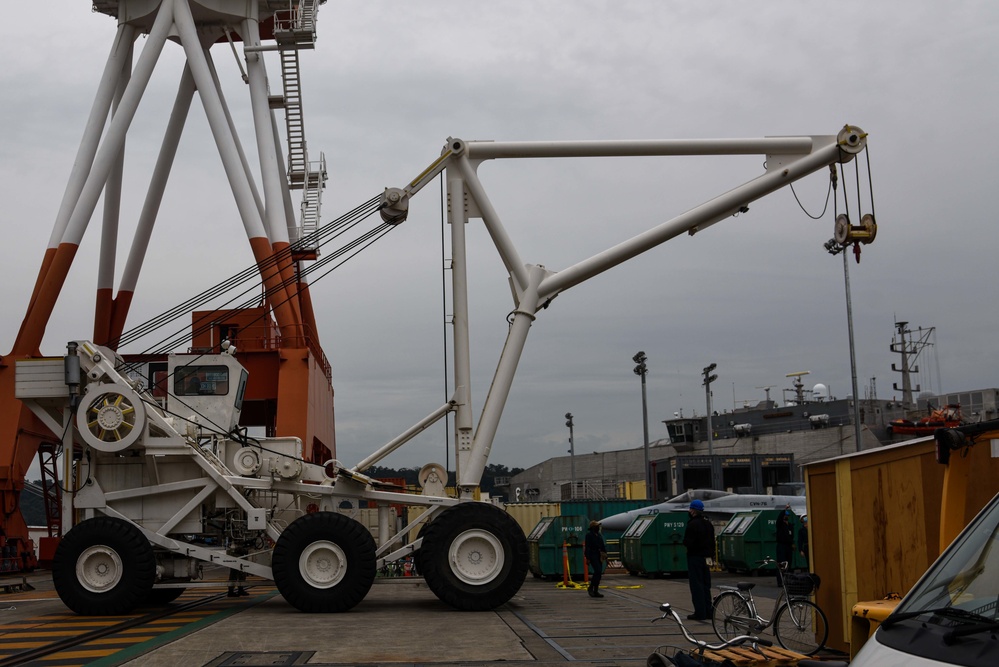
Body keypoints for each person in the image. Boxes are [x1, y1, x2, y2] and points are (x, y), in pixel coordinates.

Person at [682, 499, 715, 620]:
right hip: (707, 558)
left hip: (695, 558)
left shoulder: (692, 524)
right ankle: (709, 611)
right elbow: (712, 542)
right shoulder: (708, 524)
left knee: (697, 586)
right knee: (706, 585)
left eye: (690, 509)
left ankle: (700, 612)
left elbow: (688, 542)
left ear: (693, 510)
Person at [584, 520, 608, 598]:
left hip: (599, 555)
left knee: (599, 573)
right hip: (592, 555)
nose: (598, 527)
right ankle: (591, 587)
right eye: (597, 526)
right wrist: (587, 558)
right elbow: (587, 547)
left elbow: (602, 546)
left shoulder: (599, 535)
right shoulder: (589, 535)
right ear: (593, 527)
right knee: (597, 570)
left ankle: (596, 590)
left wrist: (606, 556)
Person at [775, 506, 795, 585]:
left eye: (787, 515)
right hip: (781, 546)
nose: (786, 517)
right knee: (781, 563)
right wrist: (784, 509)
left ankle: (788, 580)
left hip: (788, 546)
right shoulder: (780, 525)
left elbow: (791, 536)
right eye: (785, 515)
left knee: (788, 564)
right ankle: (780, 581)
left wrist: (792, 543)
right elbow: (779, 518)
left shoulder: (790, 525)